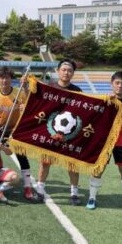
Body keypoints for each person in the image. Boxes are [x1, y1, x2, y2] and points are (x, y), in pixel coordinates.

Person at [86, 71, 122, 212]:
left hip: (121, 143)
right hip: (104, 143)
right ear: (112, 84)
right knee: (99, 169)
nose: (120, 86)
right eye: (117, 83)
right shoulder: (105, 100)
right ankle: (92, 198)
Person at [35, 59, 83, 205]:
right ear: (57, 71)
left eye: (69, 70)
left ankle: (74, 194)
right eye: (64, 69)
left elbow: (81, 113)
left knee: (72, 165)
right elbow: (40, 107)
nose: (66, 72)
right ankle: (40, 191)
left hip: (70, 135)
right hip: (51, 132)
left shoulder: (78, 91)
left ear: (73, 73)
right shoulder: (49, 88)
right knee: (45, 163)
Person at [0, 67, 33, 200]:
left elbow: (31, 109)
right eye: (1, 78)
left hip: (18, 130)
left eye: (7, 78)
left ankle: (28, 186)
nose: (4, 80)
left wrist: (25, 108)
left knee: (22, 157)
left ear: (11, 79)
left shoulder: (20, 93)